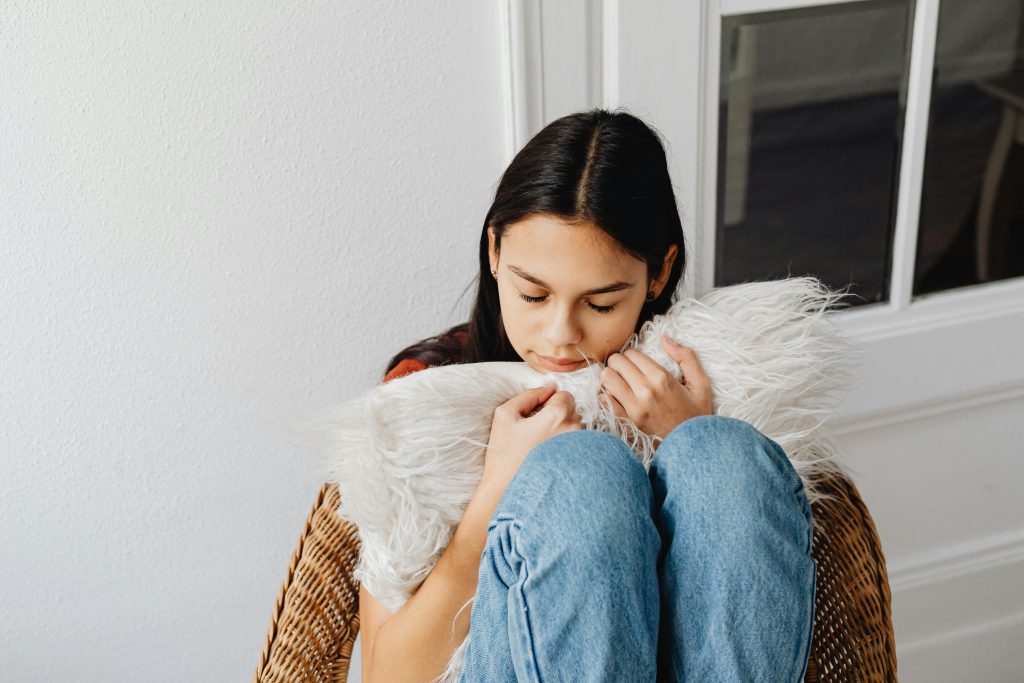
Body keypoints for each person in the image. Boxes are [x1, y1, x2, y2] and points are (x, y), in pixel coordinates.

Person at [358, 109, 816, 683]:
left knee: (726, 454)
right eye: (532, 295)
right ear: (495, 251)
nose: (560, 336)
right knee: (583, 470)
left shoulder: (701, 371)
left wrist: (685, 440)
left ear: (659, 272)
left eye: (600, 304)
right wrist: (497, 489)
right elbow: (383, 674)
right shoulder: (426, 394)